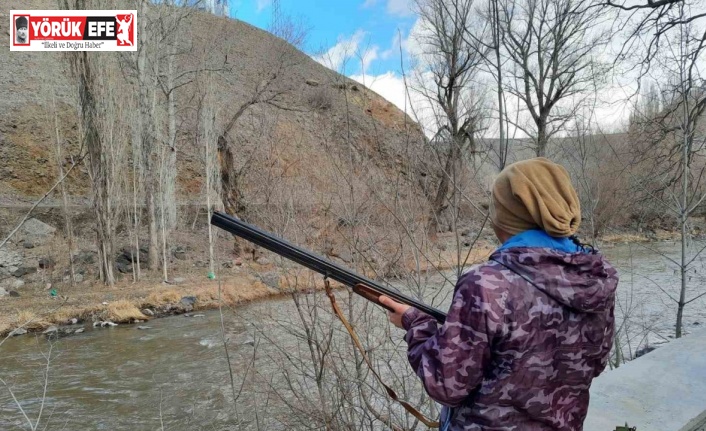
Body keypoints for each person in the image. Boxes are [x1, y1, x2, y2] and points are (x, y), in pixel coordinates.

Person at [380, 157, 618, 430]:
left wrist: (416, 324)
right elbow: (595, 364)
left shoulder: (485, 283)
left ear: (507, 215)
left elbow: (446, 384)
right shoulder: (597, 277)